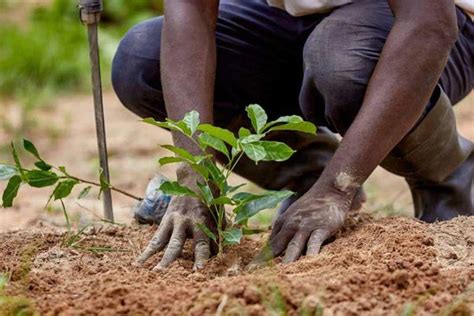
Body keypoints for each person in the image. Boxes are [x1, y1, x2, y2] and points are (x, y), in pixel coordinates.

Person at [111, 0, 474, 271]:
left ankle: (447, 173)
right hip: (294, 18)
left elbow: (429, 24)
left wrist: (337, 189)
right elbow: (189, 9)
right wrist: (195, 176)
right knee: (142, 59)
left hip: (428, 25)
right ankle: (308, 171)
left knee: (341, 63)